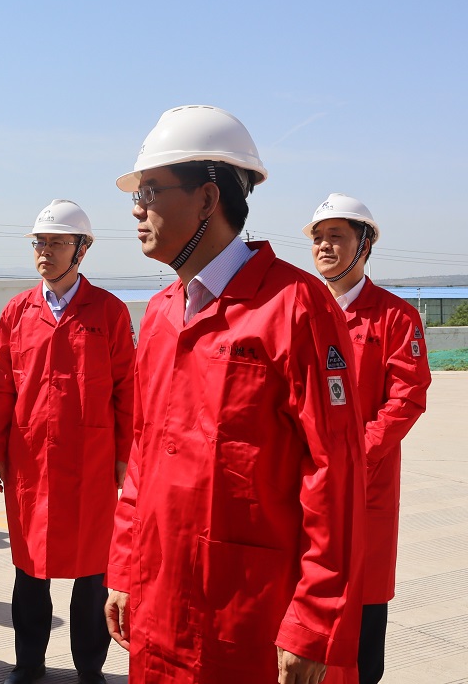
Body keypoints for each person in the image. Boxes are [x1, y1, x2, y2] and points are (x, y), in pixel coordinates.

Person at [105, 105, 365, 684]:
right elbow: (143, 454)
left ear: (207, 198)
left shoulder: (295, 308)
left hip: (250, 616)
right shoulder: (161, 313)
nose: (136, 208)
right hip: (160, 599)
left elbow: (335, 474)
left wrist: (314, 620)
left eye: (150, 190)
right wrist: (123, 567)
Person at [0, 200, 135, 684]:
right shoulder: (17, 311)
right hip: (31, 461)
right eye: (39, 243)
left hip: (91, 462)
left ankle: (90, 669)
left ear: (81, 250)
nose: (44, 252)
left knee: (92, 572)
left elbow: (126, 389)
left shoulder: (108, 311)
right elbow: (0, 385)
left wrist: (126, 457)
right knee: (30, 569)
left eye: (56, 243)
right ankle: (29, 664)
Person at [305, 193, 431, 684]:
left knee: (362, 613)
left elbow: (407, 397)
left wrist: (356, 456)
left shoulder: (395, 317)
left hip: (364, 487)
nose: (324, 246)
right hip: (304, 483)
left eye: (336, 236)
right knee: (306, 603)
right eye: (318, 237)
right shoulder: (301, 311)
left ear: (365, 245)